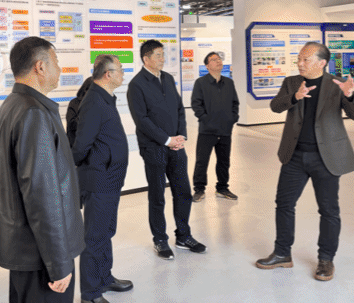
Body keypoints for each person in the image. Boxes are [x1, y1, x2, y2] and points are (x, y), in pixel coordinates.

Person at [256, 42, 354, 281]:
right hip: (294, 155)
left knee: (328, 210)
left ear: (322, 63)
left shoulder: (337, 83)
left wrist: (349, 95)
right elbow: (275, 106)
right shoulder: (291, 82)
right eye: (299, 59)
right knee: (284, 204)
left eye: (305, 59)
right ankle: (282, 253)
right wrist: (294, 97)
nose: (300, 63)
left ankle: (326, 259)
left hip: (326, 158)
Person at [0, 36, 84, 303]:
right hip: (42, 254)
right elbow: (42, 195)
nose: (60, 69)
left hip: (27, 248)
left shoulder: (13, 104)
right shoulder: (34, 113)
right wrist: (58, 263)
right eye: (56, 61)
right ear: (40, 67)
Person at [127, 39, 205, 258]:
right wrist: (166, 140)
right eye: (158, 55)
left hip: (176, 147)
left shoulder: (168, 79)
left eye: (163, 54)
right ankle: (160, 240)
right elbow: (141, 120)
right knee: (157, 195)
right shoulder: (136, 85)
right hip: (154, 148)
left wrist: (180, 136)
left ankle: (183, 235)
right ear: (146, 59)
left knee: (183, 192)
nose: (163, 59)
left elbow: (179, 108)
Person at [71, 54, 133, 303]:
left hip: (110, 178)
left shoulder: (105, 97)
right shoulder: (94, 101)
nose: (123, 74)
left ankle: (104, 277)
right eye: (120, 70)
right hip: (99, 180)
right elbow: (81, 144)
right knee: (95, 237)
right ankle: (90, 293)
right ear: (108, 74)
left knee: (106, 231)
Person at [190, 50, 239, 202]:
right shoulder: (201, 83)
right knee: (202, 161)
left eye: (219, 59)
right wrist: (206, 120)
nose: (218, 61)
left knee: (224, 161)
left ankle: (222, 188)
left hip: (225, 130)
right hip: (207, 130)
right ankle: (199, 189)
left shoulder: (229, 82)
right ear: (207, 65)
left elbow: (235, 103)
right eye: (214, 60)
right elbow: (196, 105)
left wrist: (232, 119)